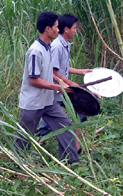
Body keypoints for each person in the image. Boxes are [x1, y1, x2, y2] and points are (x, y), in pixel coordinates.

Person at [14, 11, 80, 164]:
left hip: (47, 101)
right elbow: (34, 80)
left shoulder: (48, 48)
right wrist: (57, 88)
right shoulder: (36, 51)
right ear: (48, 29)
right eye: (56, 27)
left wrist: (61, 82)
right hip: (33, 103)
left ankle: (70, 163)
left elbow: (48, 72)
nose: (59, 30)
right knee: (24, 136)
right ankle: (17, 165)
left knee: (66, 127)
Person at [37, 14, 93, 148]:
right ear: (66, 29)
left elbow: (63, 67)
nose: (76, 30)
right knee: (76, 113)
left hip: (61, 88)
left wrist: (81, 71)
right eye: (74, 28)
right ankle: (41, 144)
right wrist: (69, 83)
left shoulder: (64, 44)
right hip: (56, 89)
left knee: (55, 118)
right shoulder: (57, 47)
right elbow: (52, 71)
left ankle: (75, 146)